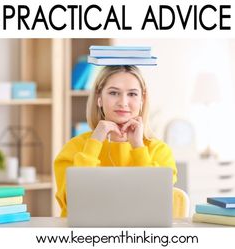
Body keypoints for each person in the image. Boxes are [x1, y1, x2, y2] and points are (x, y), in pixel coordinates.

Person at [54, 65, 177, 217]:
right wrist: (95, 143)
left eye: (132, 94)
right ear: (99, 98)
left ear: (142, 100)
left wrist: (138, 147)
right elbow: (72, 201)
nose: (123, 102)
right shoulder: (74, 147)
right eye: (113, 93)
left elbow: (156, 201)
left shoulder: (159, 150)